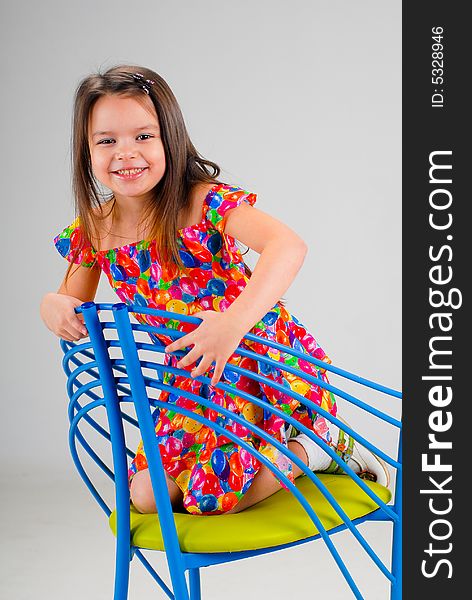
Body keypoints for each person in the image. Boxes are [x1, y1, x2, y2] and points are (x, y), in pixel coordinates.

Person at [40, 64, 389, 517]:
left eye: (144, 136)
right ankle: (298, 452)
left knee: (213, 501)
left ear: (170, 138)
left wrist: (231, 324)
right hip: (193, 382)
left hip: (259, 364)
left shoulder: (201, 201)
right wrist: (53, 304)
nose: (126, 153)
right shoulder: (96, 228)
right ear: (86, 151)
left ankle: (318, 448)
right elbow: (71, 297)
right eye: (106, 141)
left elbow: (288, 246)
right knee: (145, 495)